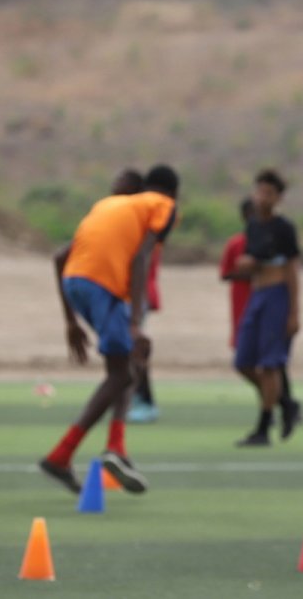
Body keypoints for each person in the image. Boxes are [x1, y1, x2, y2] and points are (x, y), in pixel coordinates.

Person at [38, 165, 179, 494]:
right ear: (173, 194)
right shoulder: (164, 206)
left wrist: (71, 321)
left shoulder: (109, 204)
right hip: (104, 288)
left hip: (75, 282)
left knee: (126, 370)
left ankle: (117, 447)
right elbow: (143, 257)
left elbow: (60, 258)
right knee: (121, 375)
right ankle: (62, 454)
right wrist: (135, 323)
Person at [232, 169, 300, 447]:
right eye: (259, 191)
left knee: (271, 364)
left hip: (277, 295)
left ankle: (263, 427)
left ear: (279, 198)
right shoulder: (252, 225)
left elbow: (292, 268)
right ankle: (284, 402)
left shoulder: (284, 228)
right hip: (256, 295)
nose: (262, 197)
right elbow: (254, 260)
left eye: (269, 193)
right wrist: (245, 267)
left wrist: (294, 312)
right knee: (243, 362)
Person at [105, 169, 165, 425]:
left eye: (119, 184)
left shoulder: (141, 223)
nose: (113, 187)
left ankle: (145, 401)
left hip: (136, 295)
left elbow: (140, 262)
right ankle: (131, 398)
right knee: (126, 349)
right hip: (126, 294)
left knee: (135, 349)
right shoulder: (127, 219)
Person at [219, 198, 256, 350]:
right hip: (241, 293)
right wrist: (248, 274)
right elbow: (225, 274)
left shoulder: (270, 241)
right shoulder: (235, 243)